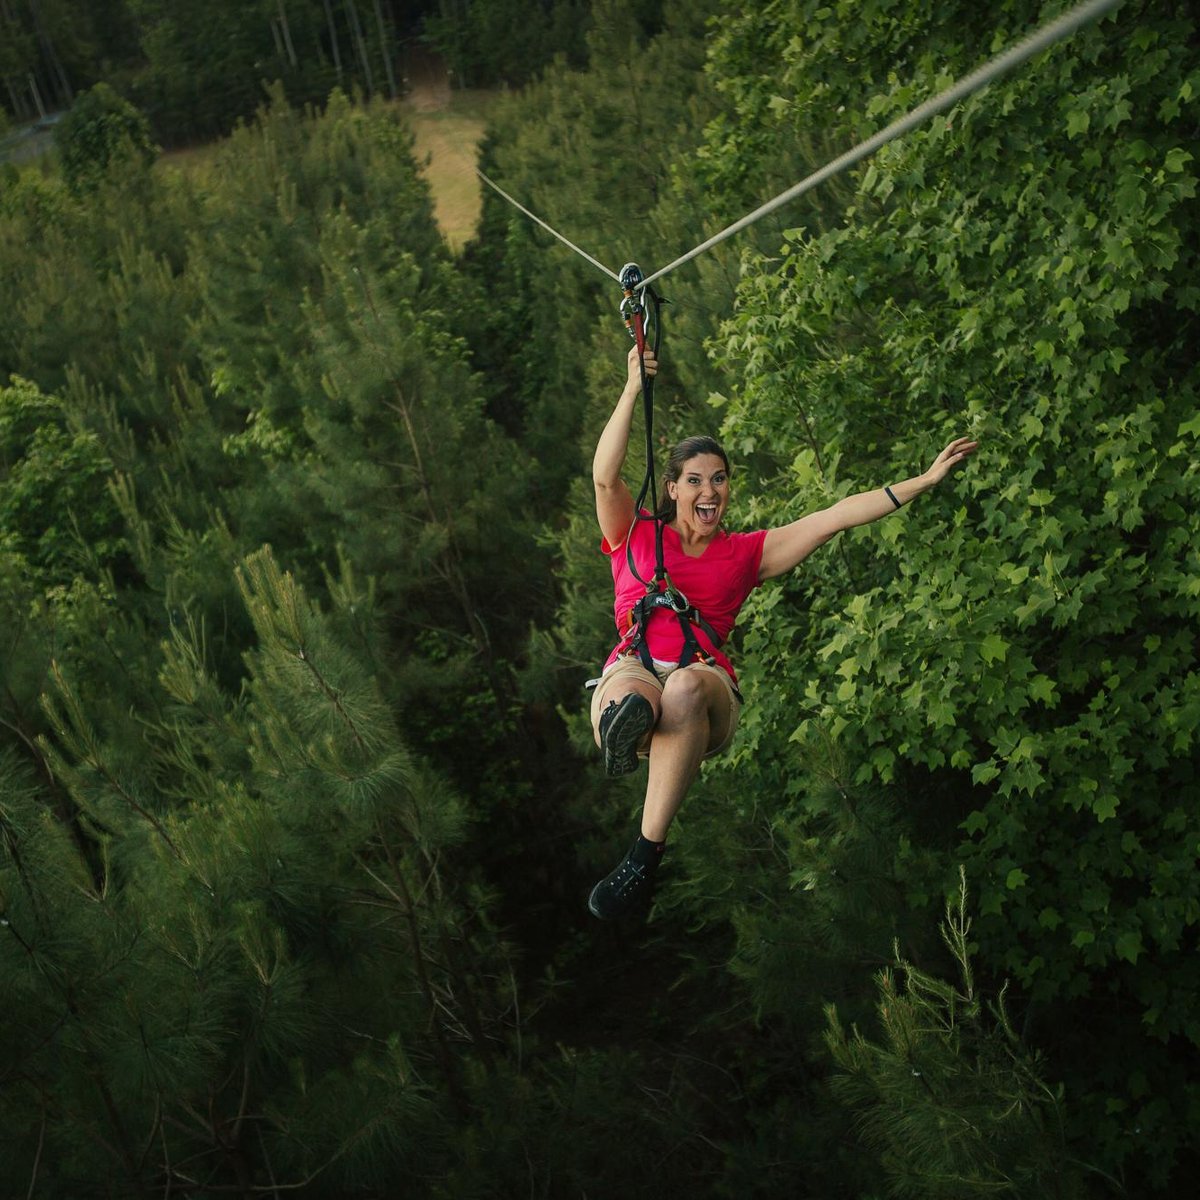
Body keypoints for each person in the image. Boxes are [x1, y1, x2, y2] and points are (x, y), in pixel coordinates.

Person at [587, 342, 978, 920]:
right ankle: (632, 728)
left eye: (719, 480)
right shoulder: (635, 534)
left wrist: (920, 481)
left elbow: (834, 516)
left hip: (702, 685)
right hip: (635, 668)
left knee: (684, 691)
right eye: (695, 480)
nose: (710, 492)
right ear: (672, 489)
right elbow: (604, 476)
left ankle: (644, 857)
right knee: (632, 701)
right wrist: (630, 390)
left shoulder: (748, 554)